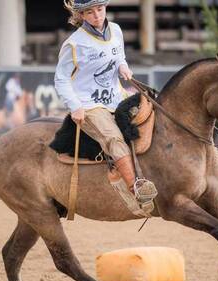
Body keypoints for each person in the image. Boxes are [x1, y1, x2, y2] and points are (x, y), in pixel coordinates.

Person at [54, 0, 157, 207]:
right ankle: (136, 189)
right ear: (81, 15)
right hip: (89, 104)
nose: (97, 15)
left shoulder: (116, 31)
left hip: (117, 97)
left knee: (153, 112)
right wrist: (75, 106)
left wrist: (123, 67)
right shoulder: (74, 43)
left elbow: (119, 56)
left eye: (100, 9)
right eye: (90, 12)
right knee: (114, 138)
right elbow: (61, 78)